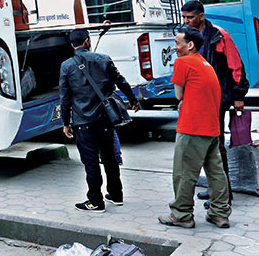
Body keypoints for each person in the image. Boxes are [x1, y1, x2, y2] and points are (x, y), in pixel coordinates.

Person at [158, 26, 231, 229]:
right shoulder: (205, 63)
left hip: (192, 127)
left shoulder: (183, 62)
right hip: (211, 128)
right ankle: (220, 213)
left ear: (190, 45)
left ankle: (182, 214)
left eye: (177, 43)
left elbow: (179, 95)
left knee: (183, 173)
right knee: (216, 173)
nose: (174, 47)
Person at [59, 28, 139, 213]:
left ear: (72, 45)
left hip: (83, 122)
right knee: (109, 157)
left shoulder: (67, 66)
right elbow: (121, 81)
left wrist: (65, 122)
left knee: (91, 162)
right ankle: (116, 194)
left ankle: (95, 201)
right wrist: (132, 100)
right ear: (87, 41)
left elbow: (65, 98)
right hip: (105, 119)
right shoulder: (104, 59)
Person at [181, 0, 249, 205]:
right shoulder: (188, 37)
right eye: (184, 17)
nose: (186, 21)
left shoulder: (220, 35)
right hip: (197, 101)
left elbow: (235, 67)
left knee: (216, 147)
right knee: (204, 146)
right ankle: (215, 189)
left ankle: (223, 194)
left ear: (201, 16)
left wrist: (238, 96)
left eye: (190, 17)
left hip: (216, 99)